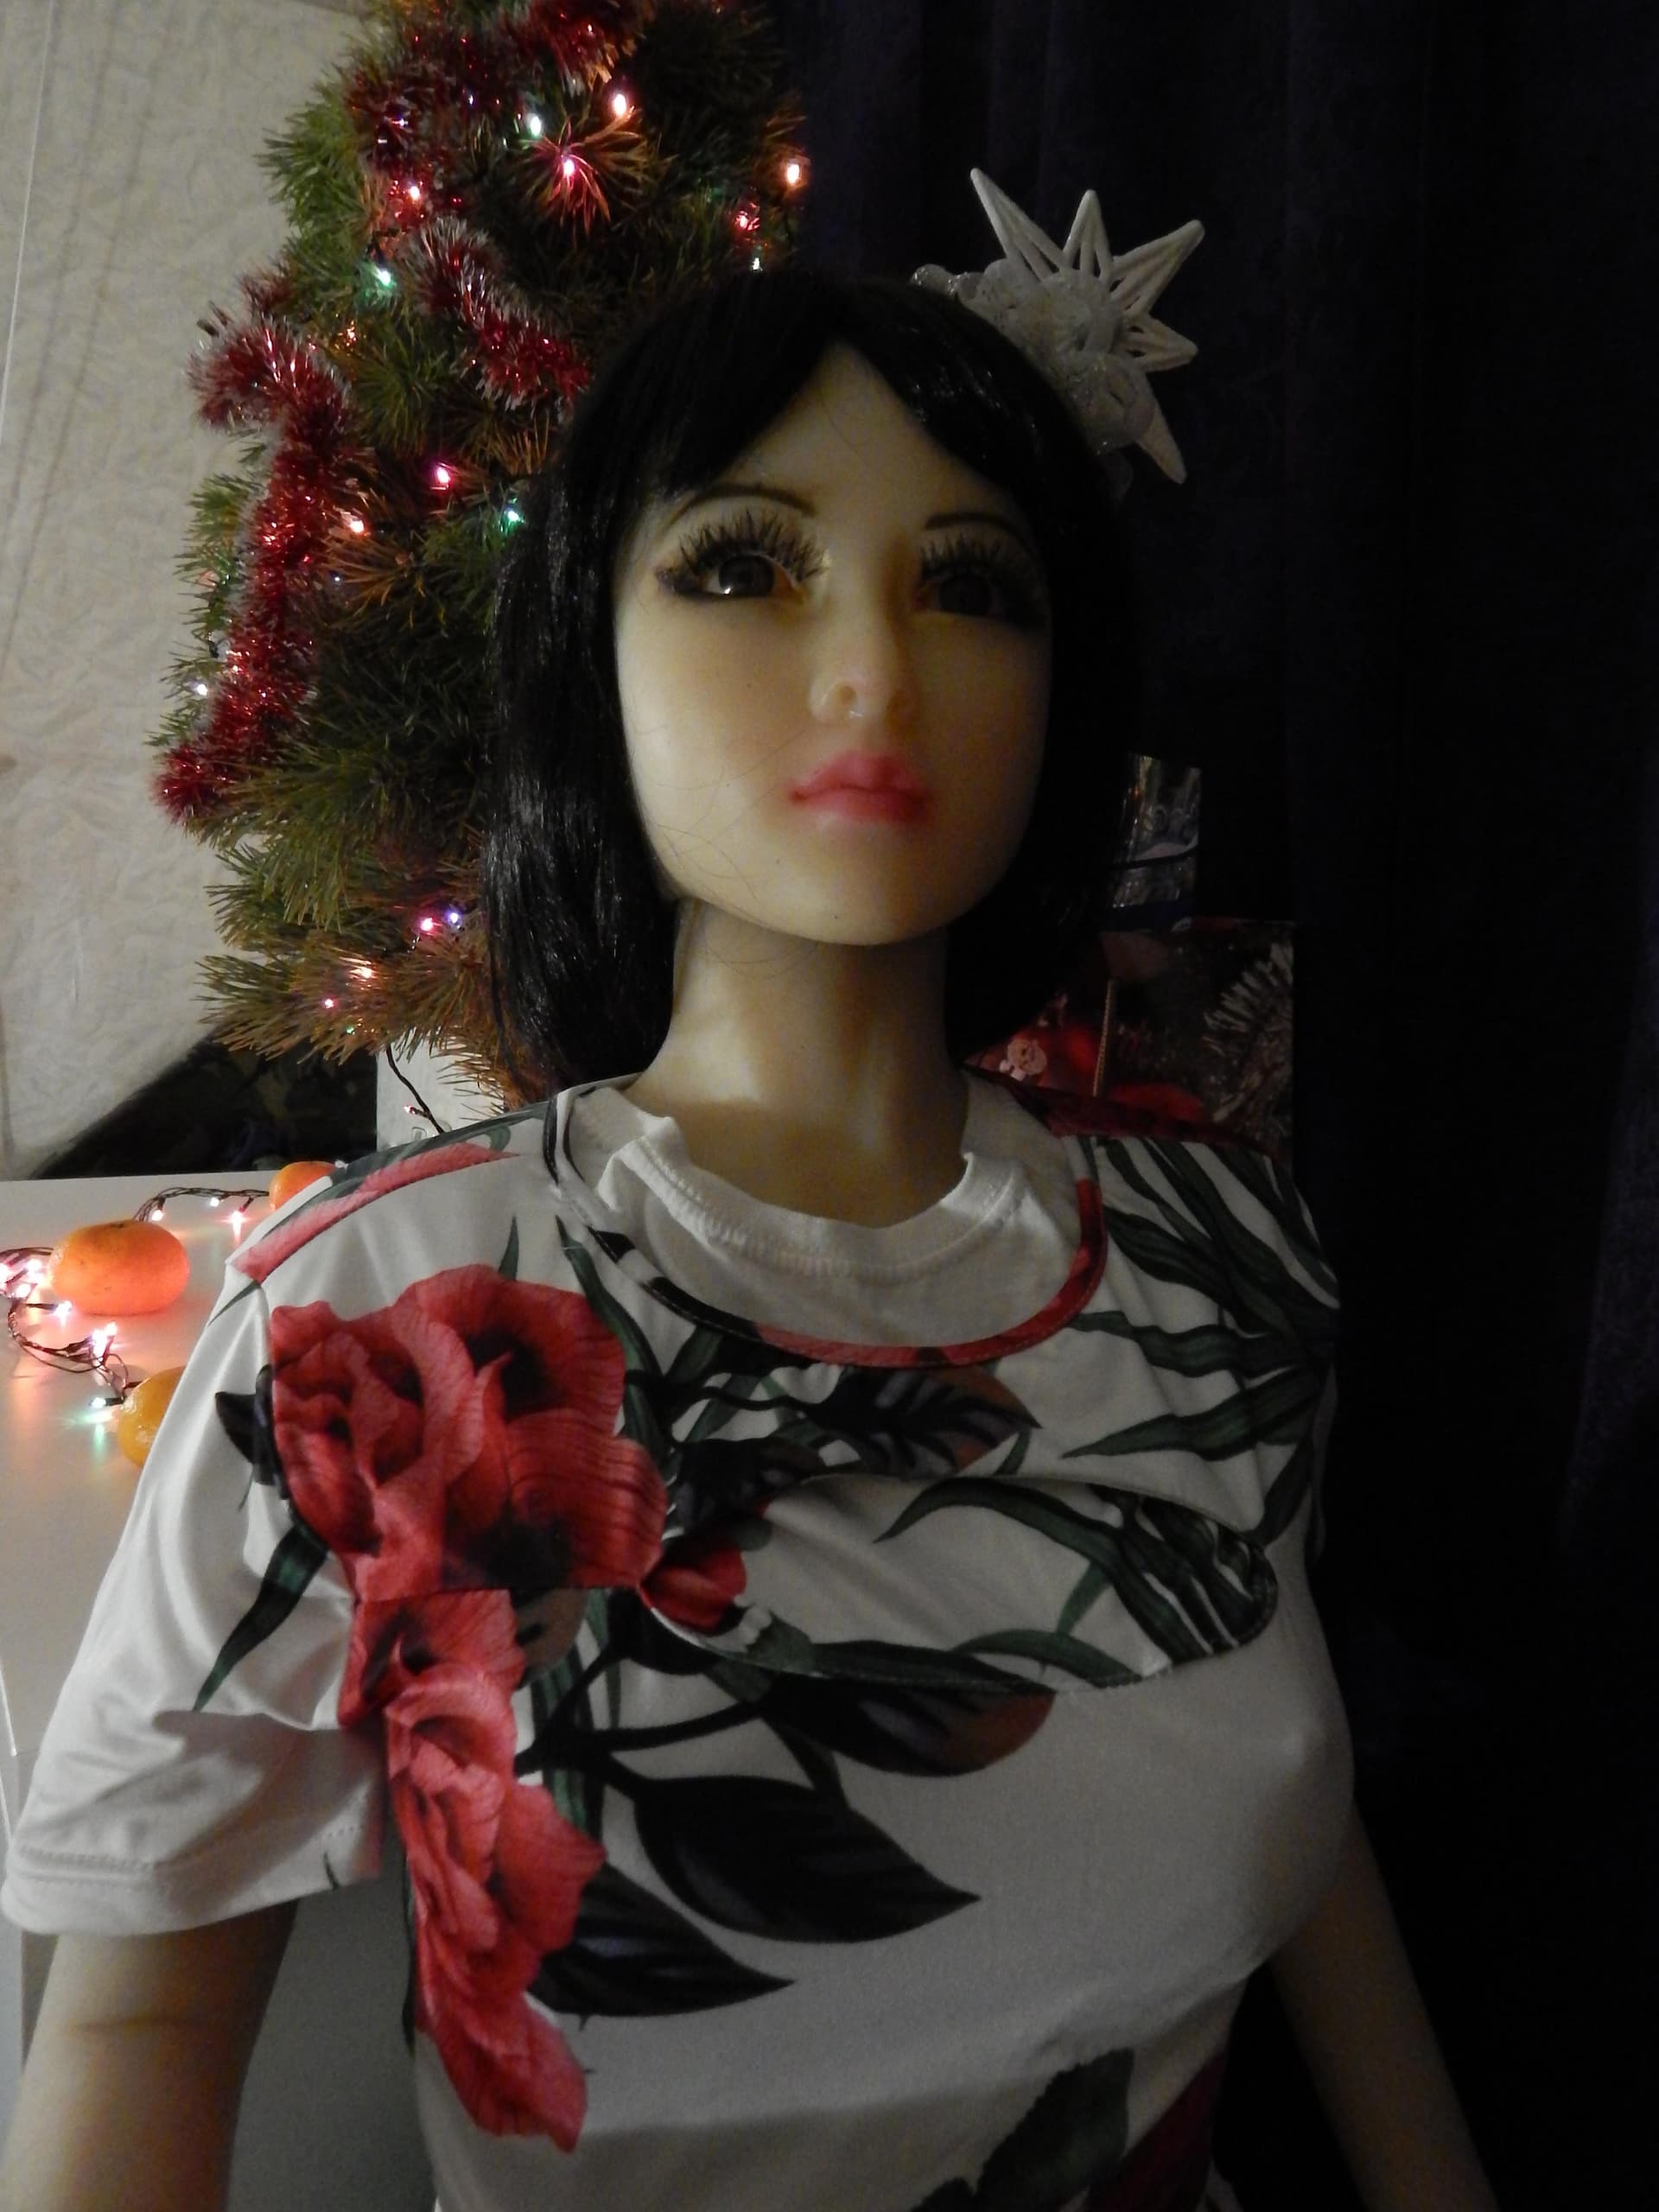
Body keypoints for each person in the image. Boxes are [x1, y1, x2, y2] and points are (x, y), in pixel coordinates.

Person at [0, 264, 1500, 2212]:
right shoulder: (369, 1326)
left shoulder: (1223, 1258)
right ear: (592, 656)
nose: (874, 664)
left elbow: (1288, 1790)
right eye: (740, 565)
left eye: (972, 585)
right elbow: (137, 2029)